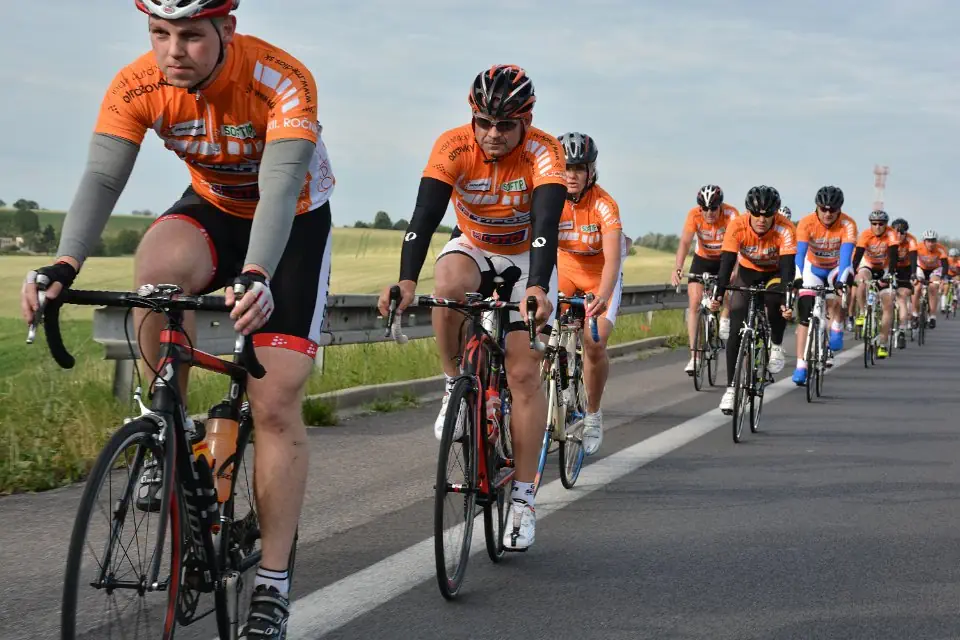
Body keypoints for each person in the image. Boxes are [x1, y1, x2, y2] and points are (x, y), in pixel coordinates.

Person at [20, 2, 333, 635]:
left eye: (190, 35)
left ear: (227, 30)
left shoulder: (281, 78)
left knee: (274, 401)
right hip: (213, 206)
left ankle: (272, 584)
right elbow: (103, 177)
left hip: (292, 220)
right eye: (159, 34)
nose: (173, 51)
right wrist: (64, 264)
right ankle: (171, 431)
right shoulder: (138, 83)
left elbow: (278, 190)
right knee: (157, 271)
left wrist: (257, 273)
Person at [377, 64, 565, 551]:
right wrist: (405, 279)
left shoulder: (545, 151)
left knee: (523, 374)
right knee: (447, 284)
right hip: (474, 245)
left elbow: (547, 225)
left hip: (526, 256)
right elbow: (424, 216)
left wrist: (537, 286)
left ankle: (523, 499)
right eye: (484, 122)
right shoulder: (453, 145)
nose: (492, 134)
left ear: (526, 121)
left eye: (505, 125)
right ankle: (452, 383)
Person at [554, 132, 622, 455]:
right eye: (566, 168)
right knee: (536, 328)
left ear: (590, 171)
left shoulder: (605, 205)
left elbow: (613, 261)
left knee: (594, 343)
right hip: (565, 268)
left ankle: (593, 413)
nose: (571, 175)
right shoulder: (550, 197)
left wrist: (602, 297)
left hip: (599, 275)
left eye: (578, 168)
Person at [710, 186, 795, 413]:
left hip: (774, 273)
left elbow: (788, 269)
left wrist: (787, 302)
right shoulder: (737, 225)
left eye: (767, 215)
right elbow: (727, 263)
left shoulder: (785, 228)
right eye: (756, 214)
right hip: (748, 273)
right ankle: (731, 389)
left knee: (775, 299)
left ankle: (776, 345)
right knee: (736, 328)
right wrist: (718, 295)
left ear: (775, 213)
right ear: (749, 211)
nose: (761, 219)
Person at [791, 186, 856, 384]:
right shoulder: (806, 222)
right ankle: (801, 365)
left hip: (836, 267)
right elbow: (800, 254)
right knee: (805, 314)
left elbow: (846, 258)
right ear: (817, 207)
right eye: (824, 209)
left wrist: (841, 282)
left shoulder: (848, 224)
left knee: (841, 291)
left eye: (832, 210)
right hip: (813, 267)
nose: (828, 213)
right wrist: (798, 278)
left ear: (839, 209)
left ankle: (837, 325)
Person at [672, 185, 739, 375]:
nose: (709, 213)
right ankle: (694, 357)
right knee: (694, 303)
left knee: (729, 285)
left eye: (714, 208)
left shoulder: (731, 214)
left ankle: (725, 314)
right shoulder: (694, 215)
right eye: (705, 208)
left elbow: (739, 244)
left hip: (725, 258)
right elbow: (685, 242)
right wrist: (678, 267)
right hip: (703, 259)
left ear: (720, 206)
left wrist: (735, 269)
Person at [852, 210, 899, 358]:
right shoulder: (865, 235)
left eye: (881, 224)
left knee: (888, 304)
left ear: (886, 224)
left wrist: (890, 274)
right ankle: (862, 312)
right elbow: (858, 256)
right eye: (874, 223)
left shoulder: (891, 234)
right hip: (869, 265)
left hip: (885, 267)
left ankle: (883, 343)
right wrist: (852, 273)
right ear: (870, 224)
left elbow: (894, 256)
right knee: (861, 279)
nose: (878, 226)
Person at [890, 218, 917, 348]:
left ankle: (901, 330)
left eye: (902, 232)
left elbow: (913, 257)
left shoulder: (911, 240)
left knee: (902, 297)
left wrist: (913, 274)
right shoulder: (888, 238)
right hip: (889, 267)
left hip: (905, 269)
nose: (899, 235)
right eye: (896, 232)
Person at [914, 229, 950, 327]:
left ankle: (932, 316)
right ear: (924, 241)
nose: (931, 243)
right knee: (917, 288)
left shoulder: (941, 249)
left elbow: (945, 264)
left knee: (933, 288)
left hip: (935, 269)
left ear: (936, 241)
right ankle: (915, 314)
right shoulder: (918, 247)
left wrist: (943, 277)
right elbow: (912, 260)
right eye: (928, 241)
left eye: (933, 241)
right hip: (921, 268)